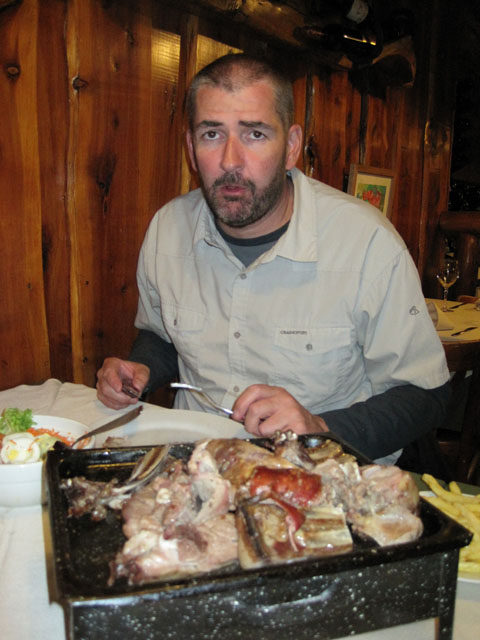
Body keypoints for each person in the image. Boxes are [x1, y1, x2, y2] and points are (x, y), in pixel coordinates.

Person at [96, 53, 450, 465]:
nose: (230, 161)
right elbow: (162, 336)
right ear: (191, 149)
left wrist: (319, 428)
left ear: (292, 147)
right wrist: (140, 369)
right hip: (196, 469)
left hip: (322, 479)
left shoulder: (367, 242)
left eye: (255, 135)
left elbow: (426, 394)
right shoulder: (166, 229)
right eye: (212, 134)